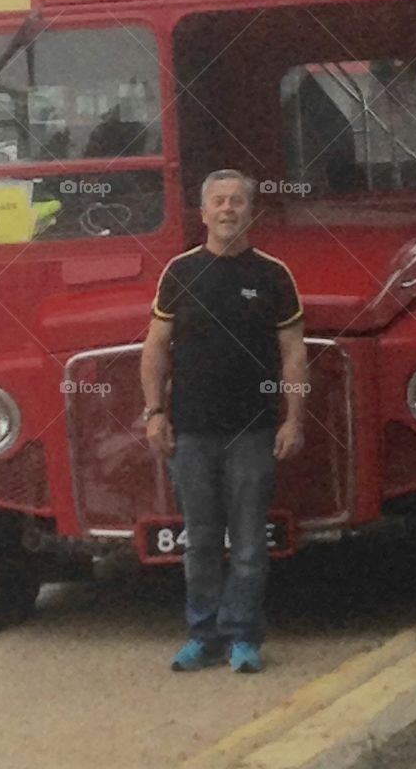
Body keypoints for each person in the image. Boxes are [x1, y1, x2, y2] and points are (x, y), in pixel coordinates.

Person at [140, 169, 306, 674]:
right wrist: (154, 413)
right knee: (202, 541)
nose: (228, 209)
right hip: (191, 432)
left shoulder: (274, 276)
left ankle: (243, 639)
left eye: (237, 201)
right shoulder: (180, 272)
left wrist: (293, 419)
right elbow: (155, 349)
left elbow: (294, 354)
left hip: (253, 430)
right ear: (204, 212)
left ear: (251, 211)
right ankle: (203, 635)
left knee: (251, 543)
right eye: (219, 201)